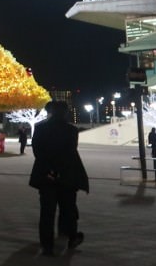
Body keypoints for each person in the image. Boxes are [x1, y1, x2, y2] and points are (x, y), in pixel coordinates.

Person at [29, 100, 89, 257]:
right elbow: (70, 152)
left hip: (46, 175)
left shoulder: (40, 128)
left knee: (47, 212)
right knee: (68, 209)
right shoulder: (71, 130)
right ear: (64, 113)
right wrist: (60, 171)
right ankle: (71, 237)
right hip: (66, 176)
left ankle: (47, 245)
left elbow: (38, 151)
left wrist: (51, 170)